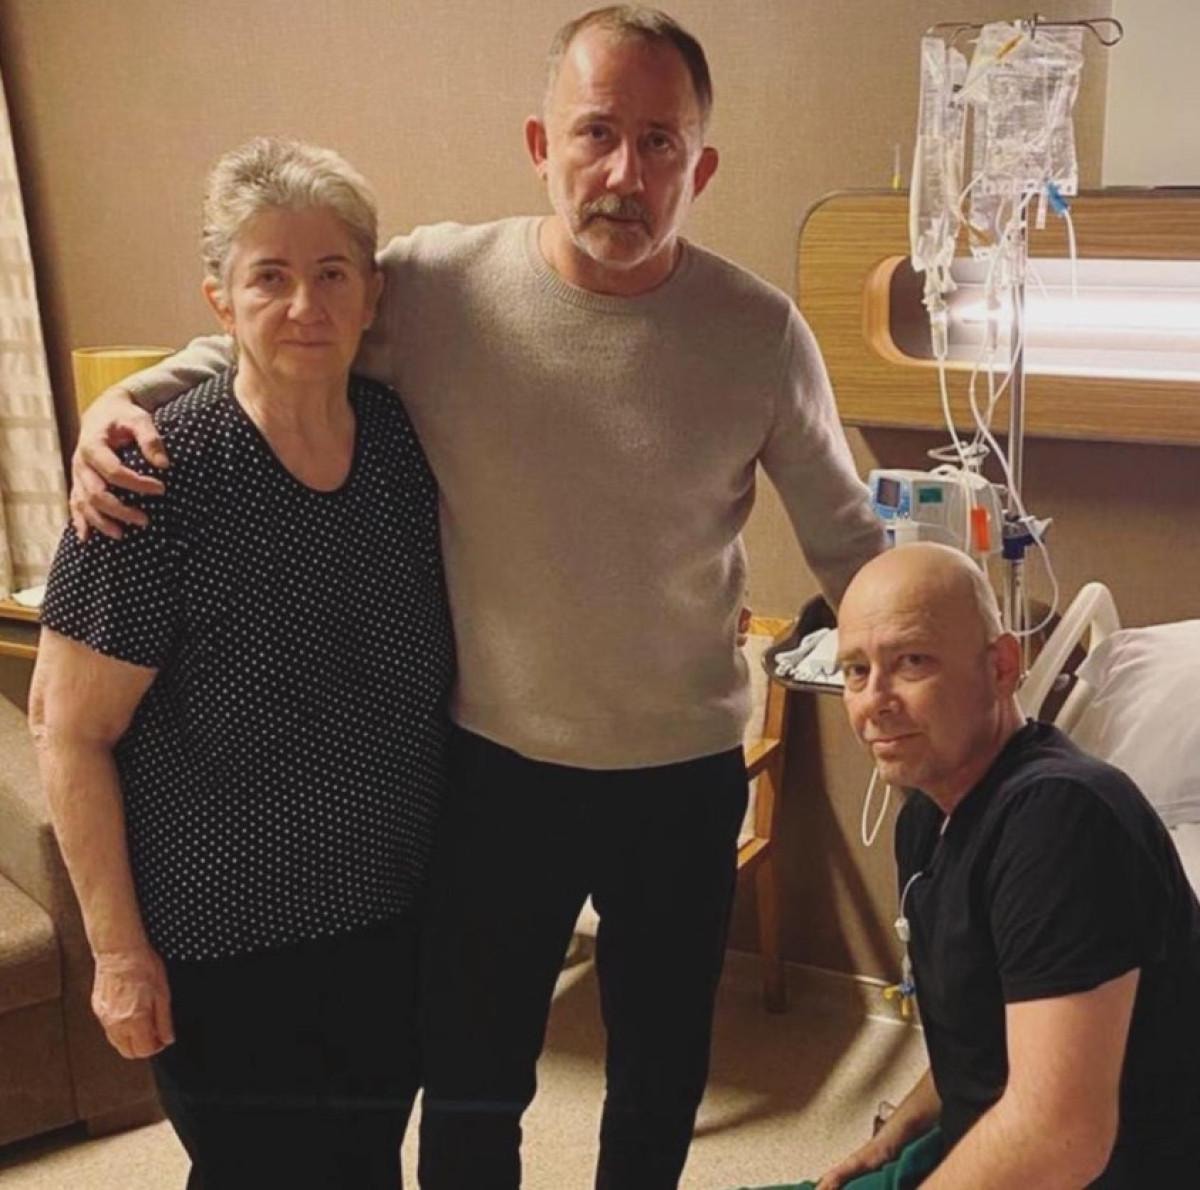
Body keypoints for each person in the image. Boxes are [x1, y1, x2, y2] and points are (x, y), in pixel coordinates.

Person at [68, 8, 885, 1187]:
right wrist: (130, 397)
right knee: (472, 1079)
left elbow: (849, 541)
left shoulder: (760, 333)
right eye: (595, 132)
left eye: (659, 142)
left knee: (658, 1077)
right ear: (541, 147)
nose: (624, 171)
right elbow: (295, 318)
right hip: (496, 769)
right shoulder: (442, 284)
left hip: (681, 772)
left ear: (699, 168)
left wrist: (932, 665)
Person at [30, 137, 454, 1189]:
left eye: (332, 273)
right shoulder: (151, 476)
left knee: (365, 1164)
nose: (305, 304)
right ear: (220, 298)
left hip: (386, 918)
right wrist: (118, 956)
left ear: (371, 294)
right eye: (270, 276)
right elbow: (67, 727)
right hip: (218, 940)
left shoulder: (405, 444)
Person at [757, 542, 1200, 1190]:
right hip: (979, 1147)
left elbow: (1060, 1138)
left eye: (911, 661)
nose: (874, 701)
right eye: (855, 670)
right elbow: (985, 1033)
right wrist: (898, 1134)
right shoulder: (927, 816)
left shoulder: (1062, 823)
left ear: (1001, 667)